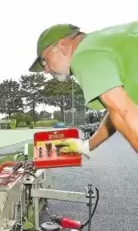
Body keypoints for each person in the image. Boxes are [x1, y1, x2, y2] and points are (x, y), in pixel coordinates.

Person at [29, 21, 138, 157]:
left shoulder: (83, 54)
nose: (46, 70)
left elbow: (123, 111)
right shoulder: (102, 44)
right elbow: (117, 110)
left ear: (63, 46)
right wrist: (87, 145)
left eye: (44, 61)